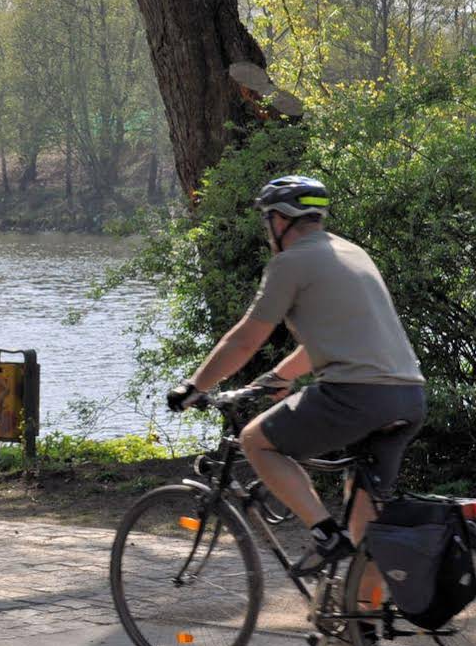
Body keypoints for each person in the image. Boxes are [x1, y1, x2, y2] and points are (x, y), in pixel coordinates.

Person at [166, 175, 427, 579]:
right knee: (364, 531)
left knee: (256, 442)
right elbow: (330, 339)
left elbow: (246, 340)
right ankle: (359, 634)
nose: (265, 228)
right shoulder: (354, 254)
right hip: (409, 398)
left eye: (266, 218)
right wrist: (278, 376)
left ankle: (324, 534)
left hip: (356, 396)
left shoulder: (290, 263)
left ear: (281, 219)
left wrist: (194, 386)